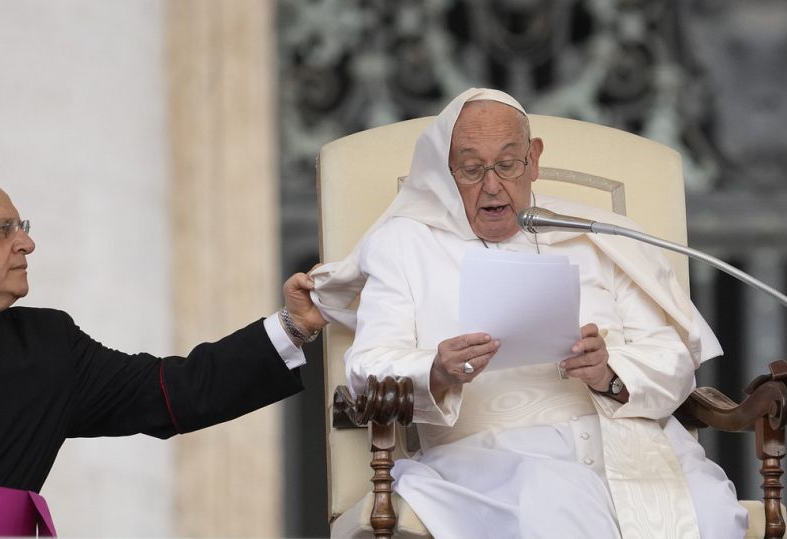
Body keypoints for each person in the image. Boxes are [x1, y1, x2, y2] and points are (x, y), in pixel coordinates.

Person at [311, 88, 747, 538]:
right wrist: (437, 369)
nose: (492, 186)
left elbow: (673, 361)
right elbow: (367, 366)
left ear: (533, 159)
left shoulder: (599, 237)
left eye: (507, 164)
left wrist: (609, 373)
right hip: (488, 461)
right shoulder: (404, 244)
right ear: (445, 169)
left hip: (630, 445)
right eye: (472, 169)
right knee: (558, 503)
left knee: (711, 510)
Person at [0, 175, 327, 535]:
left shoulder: (48, 343)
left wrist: (294, 324)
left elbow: (177, 391)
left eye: (22, 228)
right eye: (3, 230)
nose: (27, 243)